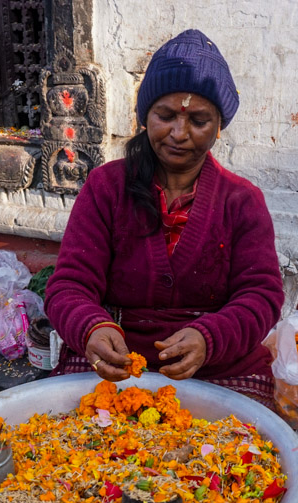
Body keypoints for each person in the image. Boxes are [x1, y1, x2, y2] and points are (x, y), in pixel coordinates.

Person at [45, 29, 284, 407]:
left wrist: (210, 338)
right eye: (165, 115)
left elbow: (262, 297)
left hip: (217, 365)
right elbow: (69, 285)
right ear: (144, 117)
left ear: (219, 127)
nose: (179, 133)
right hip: (116, 360)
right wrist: (93, 328)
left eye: (199, 120)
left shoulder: (242, 201)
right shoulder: (105, 187)